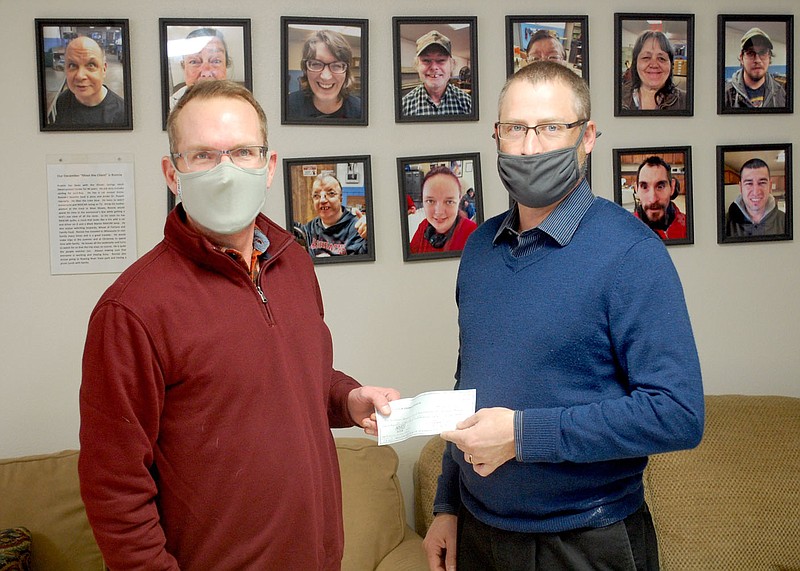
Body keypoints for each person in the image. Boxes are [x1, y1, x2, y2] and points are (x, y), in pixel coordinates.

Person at [78, 79, 398, 570]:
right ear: (172, 173)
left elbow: (293, 375)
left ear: (268, 167)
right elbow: (114, 486)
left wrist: (346, 399)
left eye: (244, 152)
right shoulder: (132, 310)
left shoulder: (293, 264)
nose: (226, 171)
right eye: (203, 155)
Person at [423, 61, 704, 571]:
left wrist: (525, 435)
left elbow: (678, 414)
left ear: (587, 136)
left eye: (551, 128)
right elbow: (469, 386)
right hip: (480, 536)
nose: (531, 147)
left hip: (587, 542)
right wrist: (448, 505)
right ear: (497, 137)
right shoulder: (479, 250)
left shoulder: (631, 253)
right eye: (516, 129)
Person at [287, 29, 362, 120]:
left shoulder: (360, 110)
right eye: (316, 64)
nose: (326, 76)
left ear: (346, 72)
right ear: (305, 69)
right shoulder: (288, 106)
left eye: (336, 66)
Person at [53, 36, 125, 127]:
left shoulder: (122, 114)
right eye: (72, 65)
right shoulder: (63, 100)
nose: (80, 76)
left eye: (91, 65)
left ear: (104, 69)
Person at [401, 30, 472, 117]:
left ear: (452, 65)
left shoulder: (467, 103)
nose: (434, 67)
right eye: (426, 60)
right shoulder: (404, 106)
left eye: (441, 60)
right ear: (417, 65)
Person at [296, 172, 368, 256]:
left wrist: (370, 236)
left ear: (341, 198)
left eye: (331, 194)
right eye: (316, 195)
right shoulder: (309, 229)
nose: (322, 200)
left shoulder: (357, 228)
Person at [410, 166, 478, 254]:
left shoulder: (473, 233)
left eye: (449, 201)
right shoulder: (423, 226)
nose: (439, 212)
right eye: (430, 201)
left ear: (459, 200)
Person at [621, 30, 686, 111]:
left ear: (671, 65)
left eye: (661, 58)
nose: (654, 65)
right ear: (635, 63)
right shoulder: (616, 97)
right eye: (646, 57)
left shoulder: (686, 101)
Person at [724, 27, 787, 109]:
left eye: (763, 52)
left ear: (770, 58)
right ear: (741, 58)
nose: (757, 60)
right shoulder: (725, 94)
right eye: (750, 53)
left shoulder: (782, 92)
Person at [169, 28, 231, 109]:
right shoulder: (170, 107)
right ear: (184, 66)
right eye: (194, 62)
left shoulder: (242, 105)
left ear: (226, 65)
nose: (206, 73)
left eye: (216, 61)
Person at [726, 157, 785, 237]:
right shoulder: (723, 223)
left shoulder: (788, 222)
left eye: (762, 183)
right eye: (749, 183)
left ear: (770, 186)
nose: (756, 192)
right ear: (740, 187)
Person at [633, 155, 687, 240]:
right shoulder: (627, 230)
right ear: (636, 190)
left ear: (672, 187)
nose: (653, 199)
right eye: (644, 187)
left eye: (660, 186)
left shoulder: (691, 226)